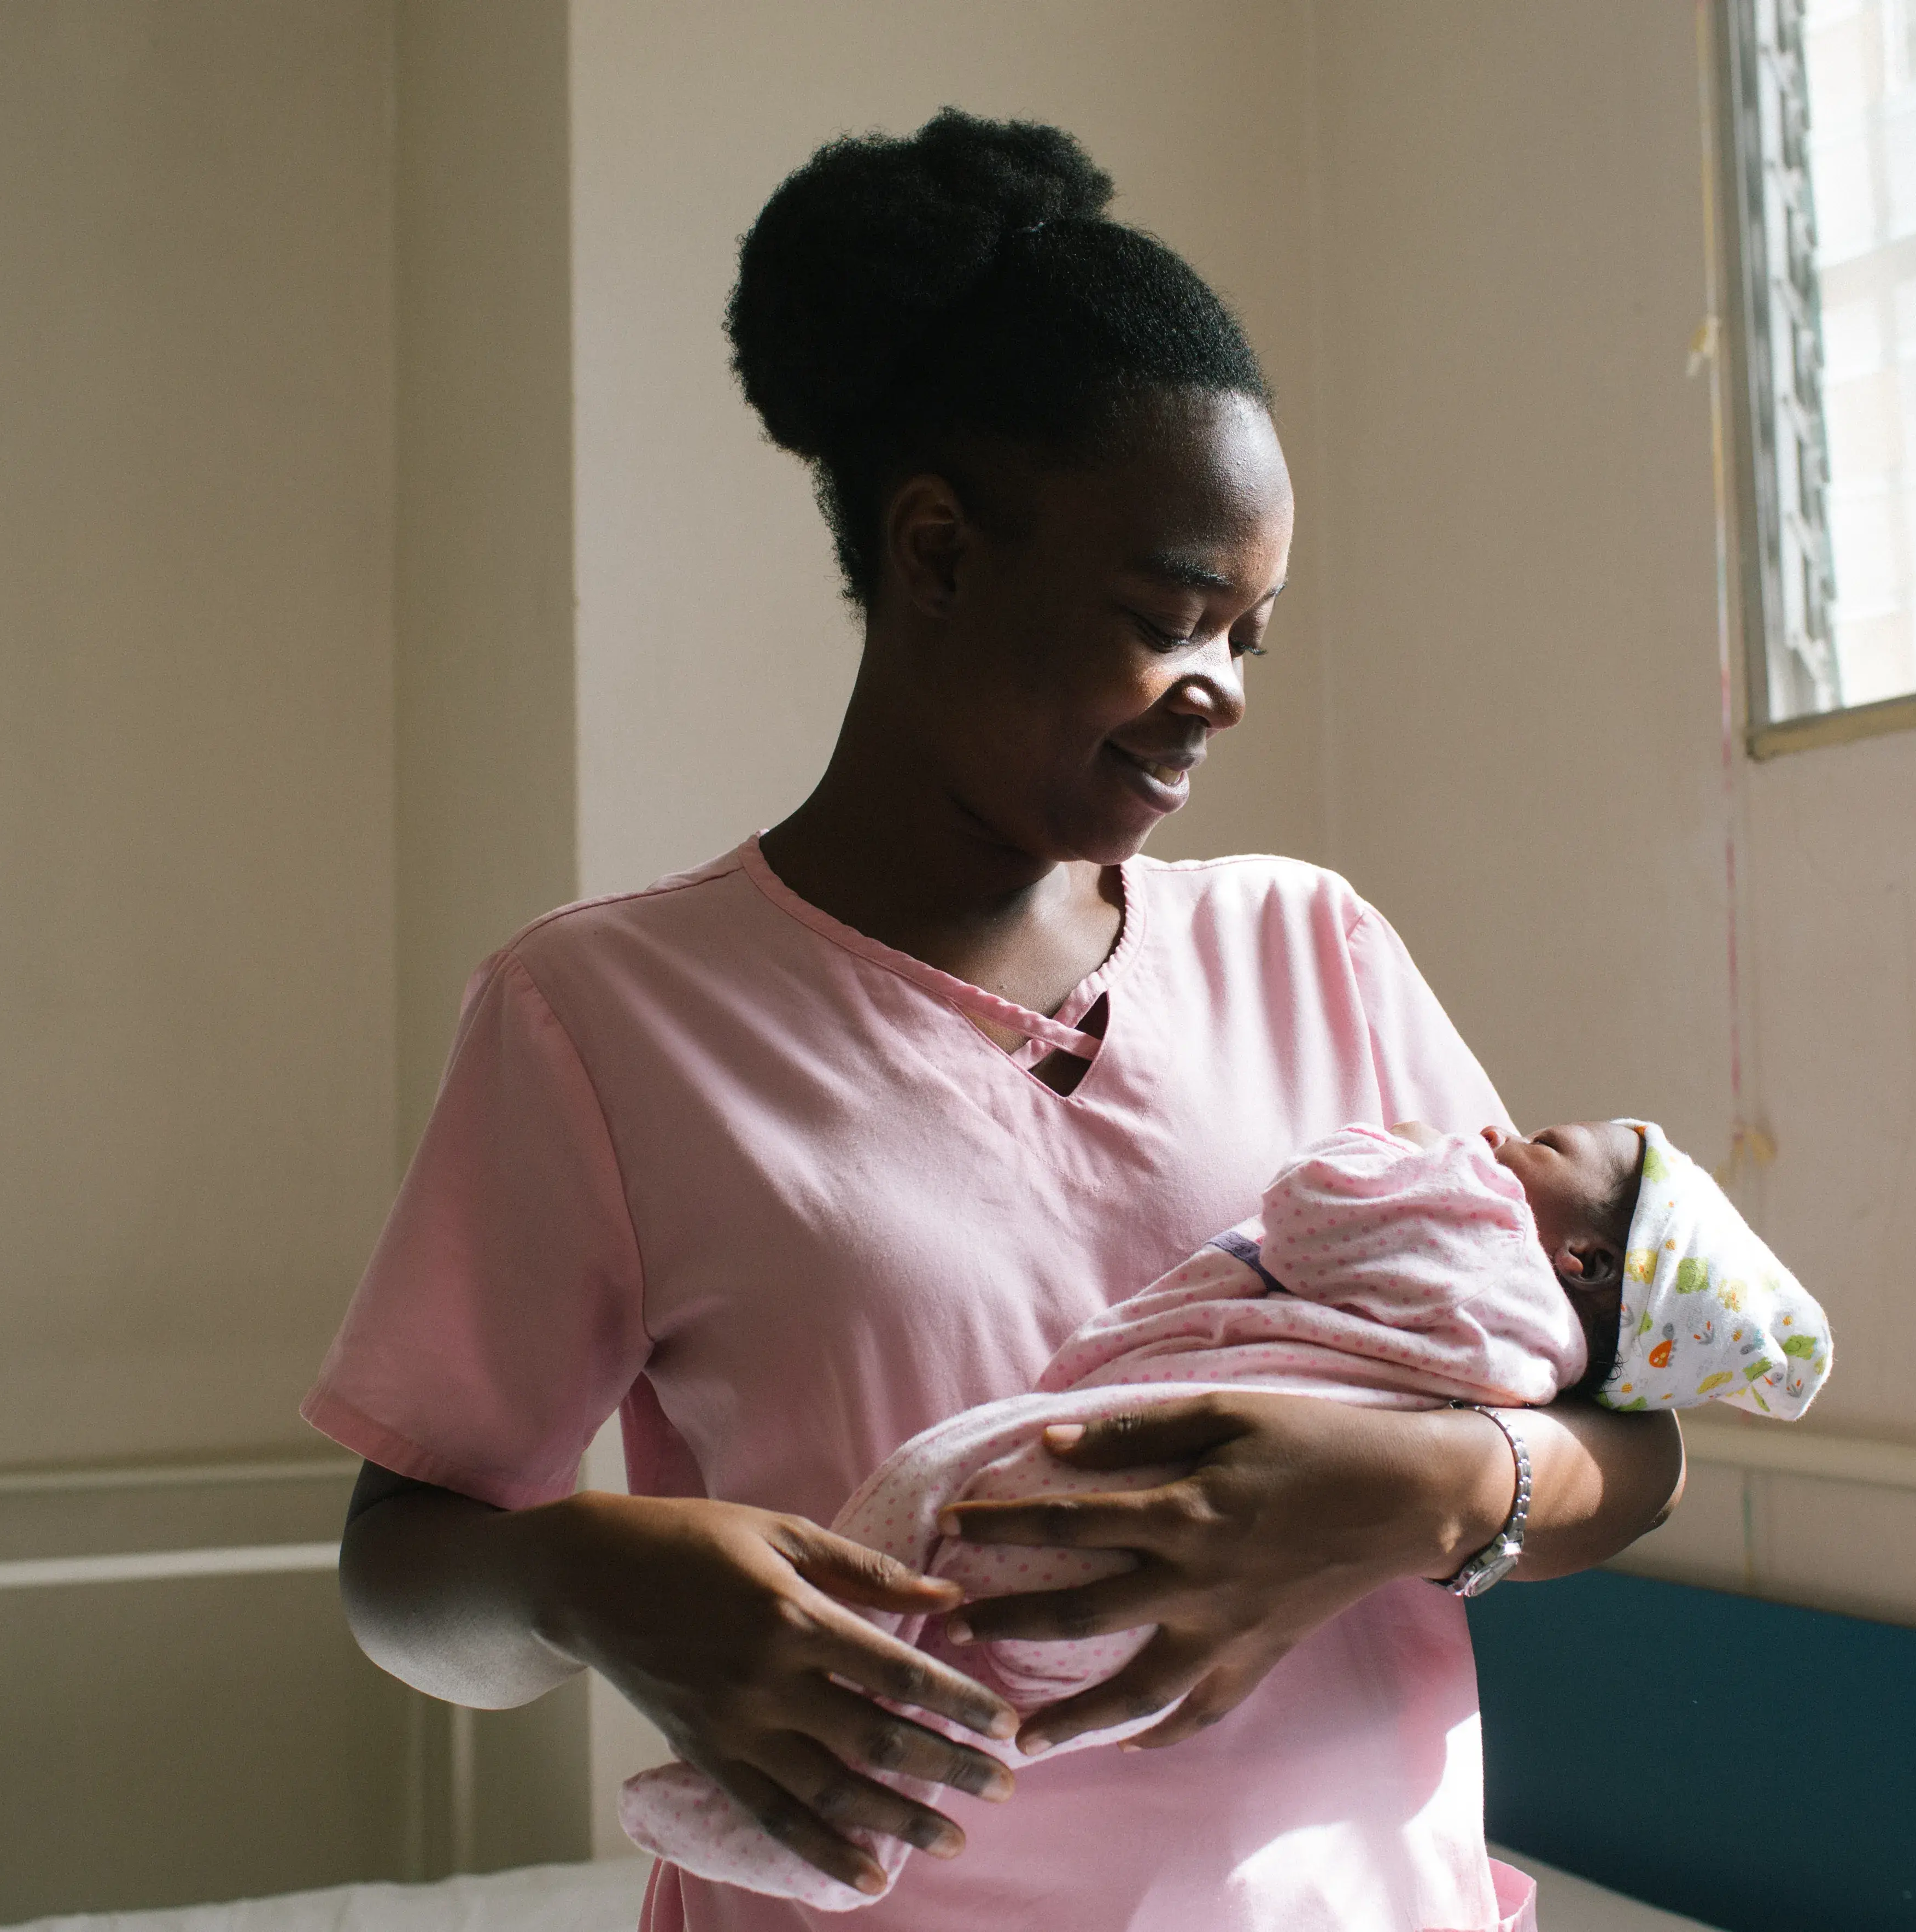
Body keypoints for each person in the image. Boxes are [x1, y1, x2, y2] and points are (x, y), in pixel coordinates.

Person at [309, 109, 1686, 1932]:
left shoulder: (1317, 951)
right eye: (1169, 615)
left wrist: (1419, 1479)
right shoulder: (609, 1020)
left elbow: (1634, 1444)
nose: (1222, 694)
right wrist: (585, 1580)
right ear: (939, 551)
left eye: (1254, 634)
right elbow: (406, 1573)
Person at [614, 1117, 1830, 1907]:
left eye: (1551, 1142)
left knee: (916, 1527)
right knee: (986, 1703)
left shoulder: (1484, 1240)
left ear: (1585, 1264)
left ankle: (812, 1818)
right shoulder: (1529, 1329)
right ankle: (858, 1826)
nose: (1507, 1130)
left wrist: (1386, 1155)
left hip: (1091, 1493)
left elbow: (1321, 1209)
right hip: (1137, 1647)